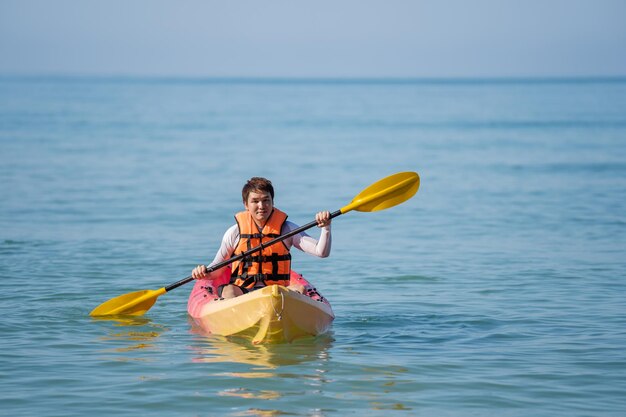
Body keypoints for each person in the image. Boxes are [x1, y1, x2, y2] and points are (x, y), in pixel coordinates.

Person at [191, 177, 331, 298]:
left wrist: (326, 227)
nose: (261, 206)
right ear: (246, 204)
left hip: (275, 291)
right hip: (242, 292)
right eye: (255, 201)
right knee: (228, 290)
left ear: (272, 202)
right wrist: (203, 272)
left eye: (266, 200)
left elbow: (321, 252)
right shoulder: (234, 232)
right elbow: (217, 269)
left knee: (300, 289)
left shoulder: (286, 229)